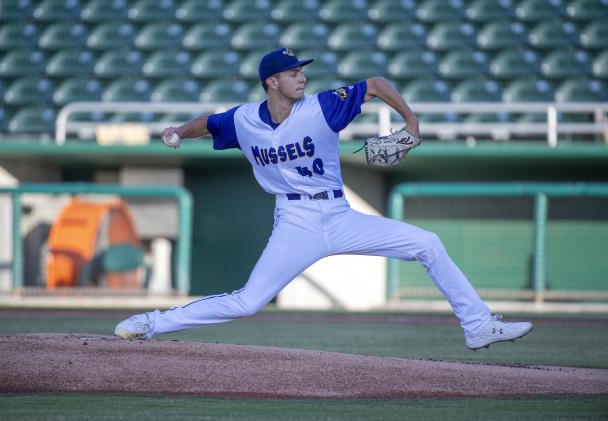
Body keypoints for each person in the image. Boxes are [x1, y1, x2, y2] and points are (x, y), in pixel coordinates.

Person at [114, 48, 532, 350]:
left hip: (339, 213)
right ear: (272, 82)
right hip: (295, 221)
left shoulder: (322, 108)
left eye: (302, 72)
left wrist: (411, 120)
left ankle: (477, 325)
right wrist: (176, 132)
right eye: (293, 73)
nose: (302, 78)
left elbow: (375, 84)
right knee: (248, 302)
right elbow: (208, 122)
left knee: (428, 243)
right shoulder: (244, 120)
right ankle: (150, 323)